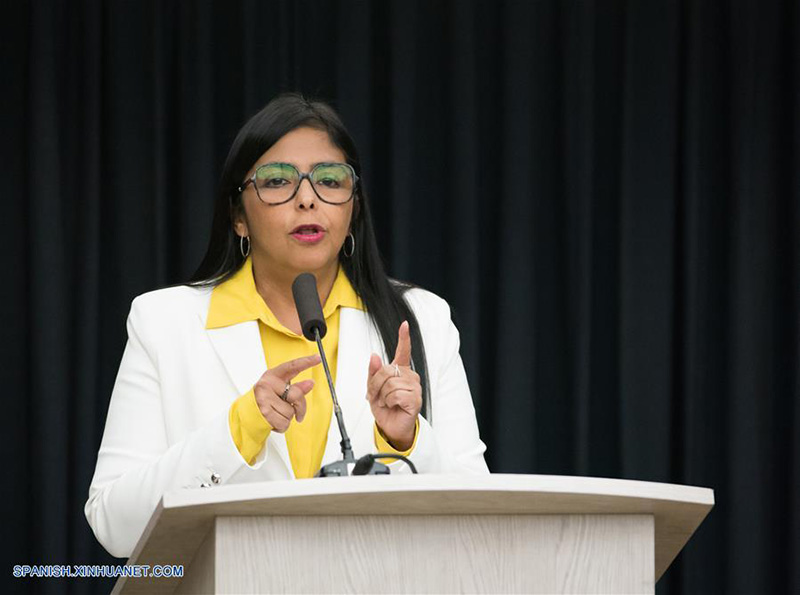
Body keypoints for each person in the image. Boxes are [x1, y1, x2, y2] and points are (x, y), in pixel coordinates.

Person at [84, 93, 488, 558]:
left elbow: (478, 518)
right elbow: (114, 524)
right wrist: (237, 432)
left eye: (330, 181)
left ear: (353, 207)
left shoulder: (422, 319)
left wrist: (406, 439)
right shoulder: (165, 323)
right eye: (278, 181)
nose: (307, 200)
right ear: (238, 216)